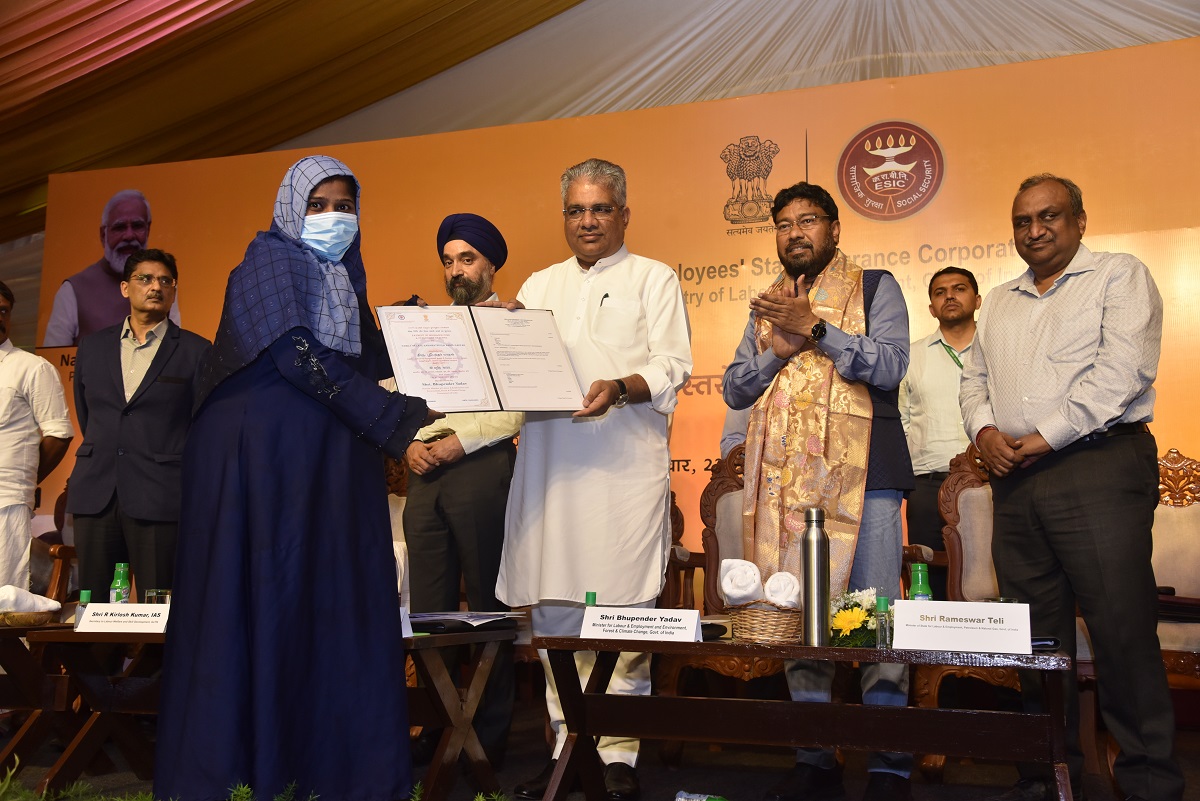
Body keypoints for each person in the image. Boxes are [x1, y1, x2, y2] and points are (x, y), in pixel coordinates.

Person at [155, 156, 438, 801]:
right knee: (269, 593)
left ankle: (330, 770)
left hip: (325, 455)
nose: (333, 218)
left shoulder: (343, 276)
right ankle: (251, 767)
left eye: (345, 206)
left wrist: (437, 335)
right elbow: (298, 354)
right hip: (261, 457)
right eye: (318, 205)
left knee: (326, 599)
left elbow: (367, 355)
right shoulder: (269, 261)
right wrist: (396, 420)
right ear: (289, 208)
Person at [961, 174, 1184, 801]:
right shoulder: (998, 300)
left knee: (1121, 632)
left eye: (1049, 216)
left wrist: (1041, 437)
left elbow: (1123, 371)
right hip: (1015, 477)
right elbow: (973, 379)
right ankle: (1046, 777)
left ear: (1080, 221)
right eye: (1022, 221)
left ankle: (1149, 784)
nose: (1034, 230)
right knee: (1033, 641)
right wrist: (984, 432)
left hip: (1098, 465)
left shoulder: (1119, 276)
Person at [494, 158, 692, 801]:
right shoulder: (539, 284)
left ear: (624, 214)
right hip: (551, 470)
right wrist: (497, 334)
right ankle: (566, 748)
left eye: (600, 209)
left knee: (621, 616)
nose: (587, 221)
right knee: (555, 616)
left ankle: (618, 755)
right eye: (576, 210)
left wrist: (620, 387)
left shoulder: (653, 278)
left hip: (621, 472)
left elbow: (673, 366)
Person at [723, 181, 914, 801]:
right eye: (783, 224)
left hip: (868, 477)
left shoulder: (876, 287)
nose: (795, 233)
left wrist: (818, 330)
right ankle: (814, 756)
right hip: (784, 481)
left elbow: (891, 365)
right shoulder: (766, 304)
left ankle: (888, 765)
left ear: (835, 228)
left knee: (872, 616)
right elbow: (734, 387)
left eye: (808, 220)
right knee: (795, 610)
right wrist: (777, 351)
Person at [404, 212, 523, 766]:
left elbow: (519, 408)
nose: (456, 270)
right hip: (423, 471)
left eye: (467, 259)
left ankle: (489, 733)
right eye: (448, 261)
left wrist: (462, 441)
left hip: (480, 465)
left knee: (487, 604)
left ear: (491, 265)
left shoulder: (513, 321)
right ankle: (436, 727)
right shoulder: (424, 326)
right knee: (429, 612)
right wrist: (405, 442)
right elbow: (398, 393)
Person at [67, 249, 210, 599]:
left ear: (173, 291)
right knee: (93, 604)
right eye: (145, 279)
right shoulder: (92, 347)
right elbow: (88, 415)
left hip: (159, 494)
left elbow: (202, 424)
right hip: (96, 492)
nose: (155, 287)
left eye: (165, 280)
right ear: (124, 288)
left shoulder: (196, 351)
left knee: (158, 608)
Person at [898, 266, 980, 600]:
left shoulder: (997, 349)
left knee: (997, 571)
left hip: (993, 481)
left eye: (959, 289)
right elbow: (901, 422)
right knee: (929, 580)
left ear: (977, 299)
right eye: (940, 292)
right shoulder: (910, 356)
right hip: (928, 484)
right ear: (931, 308)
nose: (949, 296)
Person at [0, 282, 73, 587]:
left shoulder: (31, 368)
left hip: (5, 501)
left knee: (4, 598)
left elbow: (59, 434)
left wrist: (26, 480)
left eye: (4, 311)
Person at [42, 190, 181, 347]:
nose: (129, 236)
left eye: (137, 226)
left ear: (148, 230)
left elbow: (177, 345)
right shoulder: (73, 290)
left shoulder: (164, 286)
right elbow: (54, 356)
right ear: (103, 234)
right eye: (119, 227)